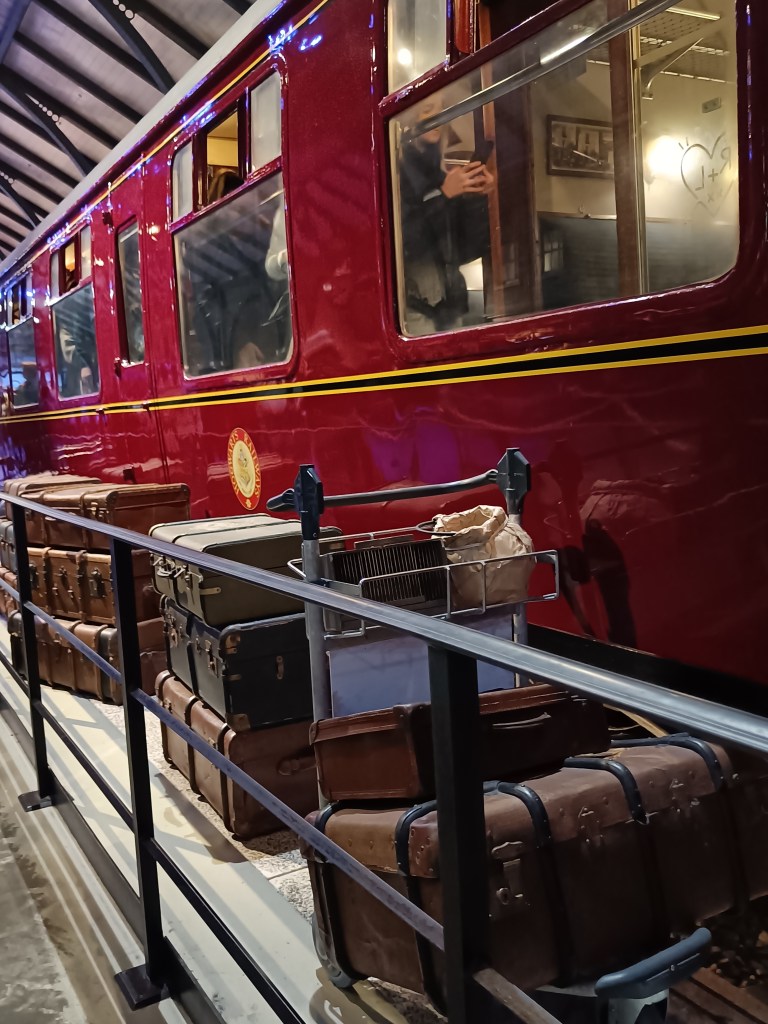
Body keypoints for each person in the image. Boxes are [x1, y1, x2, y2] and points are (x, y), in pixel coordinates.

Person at [398, 101, 495, 336]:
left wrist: (476, 198)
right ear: (408, 118)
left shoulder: (443, 177)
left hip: (451, 307)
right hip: (411, 310)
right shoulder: (395, 174)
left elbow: (467, 250)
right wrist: (443, 195)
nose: (437, 118)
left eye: (442, 110)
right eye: (427, 109)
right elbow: (405, 243)